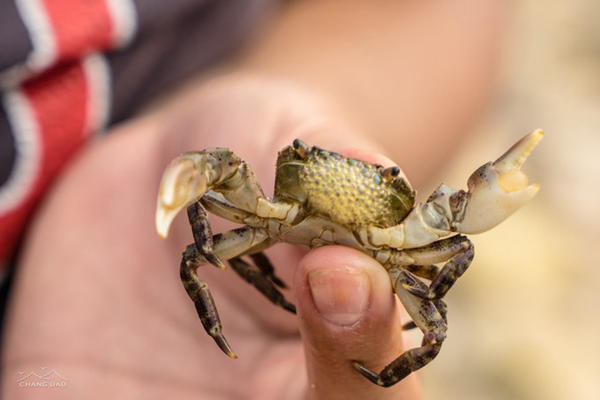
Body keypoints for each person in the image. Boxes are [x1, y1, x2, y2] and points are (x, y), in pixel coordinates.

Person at [0, 1, 507, 398]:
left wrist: (323, 98)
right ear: (294, 161)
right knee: (198, 258)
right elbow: (203, 215)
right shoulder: (261, 212)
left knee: (432, 330)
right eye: (311, 158)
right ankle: (237, 313)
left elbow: (436, 9)